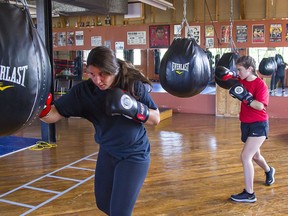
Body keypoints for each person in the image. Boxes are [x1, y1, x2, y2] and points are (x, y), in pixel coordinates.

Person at [39, 46, 160, 215]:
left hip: (134, 155)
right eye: (92, 74)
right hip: (108, 152)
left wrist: (132, 107)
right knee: (103, 203)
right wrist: (39, 106)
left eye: (103, 74)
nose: (98, 80)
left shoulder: (132, 85)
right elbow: (53, 115)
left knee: (119, 212)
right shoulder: (85, 92)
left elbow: (156, 118)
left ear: (114, 70)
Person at [228, 56, 275, 203]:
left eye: (240, 69)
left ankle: (250, 194)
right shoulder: (242, 80)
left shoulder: (261, 85)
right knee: (255, 156)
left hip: (259, 125)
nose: (238, 72)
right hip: (246, 124)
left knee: (245, 156)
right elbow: (232, 85)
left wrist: (246, 98)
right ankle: (269, 171)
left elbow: (260, 106)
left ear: (249, 69)